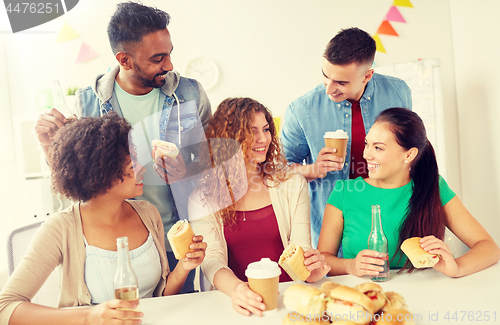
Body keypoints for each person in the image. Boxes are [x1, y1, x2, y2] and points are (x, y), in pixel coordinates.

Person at [33, 2, 212, 293]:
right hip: (117, 247)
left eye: (169, 53)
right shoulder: (87, 104)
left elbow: (208, 158)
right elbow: (75, 179)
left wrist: (187, 166)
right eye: (157, 58)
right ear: (124, 60)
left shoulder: (190, 94)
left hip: (177, 239)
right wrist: (47, 147)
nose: (169, 65)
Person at [0, 114, 207, 325]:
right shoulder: (60, 228)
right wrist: (90, 316)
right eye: (132, 165)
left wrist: (184, 267)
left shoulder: (148, 213)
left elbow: (158, 299)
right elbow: (5, 307)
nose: (142, 168)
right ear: (102, 173)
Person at [188, 98, 330, 317]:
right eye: (252, 131)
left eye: (266, 129)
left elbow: (299, 246)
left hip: (287, 300)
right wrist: (238, 290)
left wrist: (311, 270)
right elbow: (212, 259)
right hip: (235, 304)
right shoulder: (202, 197)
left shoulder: (291, 183)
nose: (263, 138)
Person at [317, 107, 500, 277]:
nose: (366, 154)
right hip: (364, 297)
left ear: (409, 155)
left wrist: (456, 267)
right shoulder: (345, 191)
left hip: (427, 294)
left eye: (378, 147)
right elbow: (323, 258)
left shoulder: (432, 186)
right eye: (367, 144)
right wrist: (350, 266)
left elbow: (488, 248)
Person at [281, 27, 412, 248]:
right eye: (325, 76)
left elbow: (409, 148)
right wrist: (314, 169)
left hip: (392, 216)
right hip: (332, 229)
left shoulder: (398, 92)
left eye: (341, 82)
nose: (329, 89)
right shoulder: (301, 110)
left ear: (367, 75)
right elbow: (279, 172)